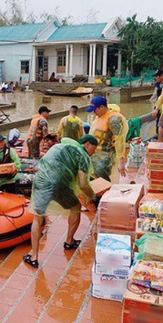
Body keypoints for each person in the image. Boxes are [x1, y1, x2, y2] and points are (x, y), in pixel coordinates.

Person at [23, 135, 98, 268]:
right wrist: (92, 196)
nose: (94, 152)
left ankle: (34, 257)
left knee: (37, 218)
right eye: (94, 148)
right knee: (75, 207)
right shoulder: (83, 155)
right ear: (87, 145)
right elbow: (82, 183)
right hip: (60, 184)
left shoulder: (59, 146)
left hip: (41, 180)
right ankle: (69, 241)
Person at [87, 96, 129, 184]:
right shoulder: (100, 116)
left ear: (102, 107)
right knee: (94, 180)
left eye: (95, 109)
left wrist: (121, 161)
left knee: (103, 182)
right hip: (95, 155)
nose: (94, 112)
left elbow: (119, 140)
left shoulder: (113, 120)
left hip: (106, 157)